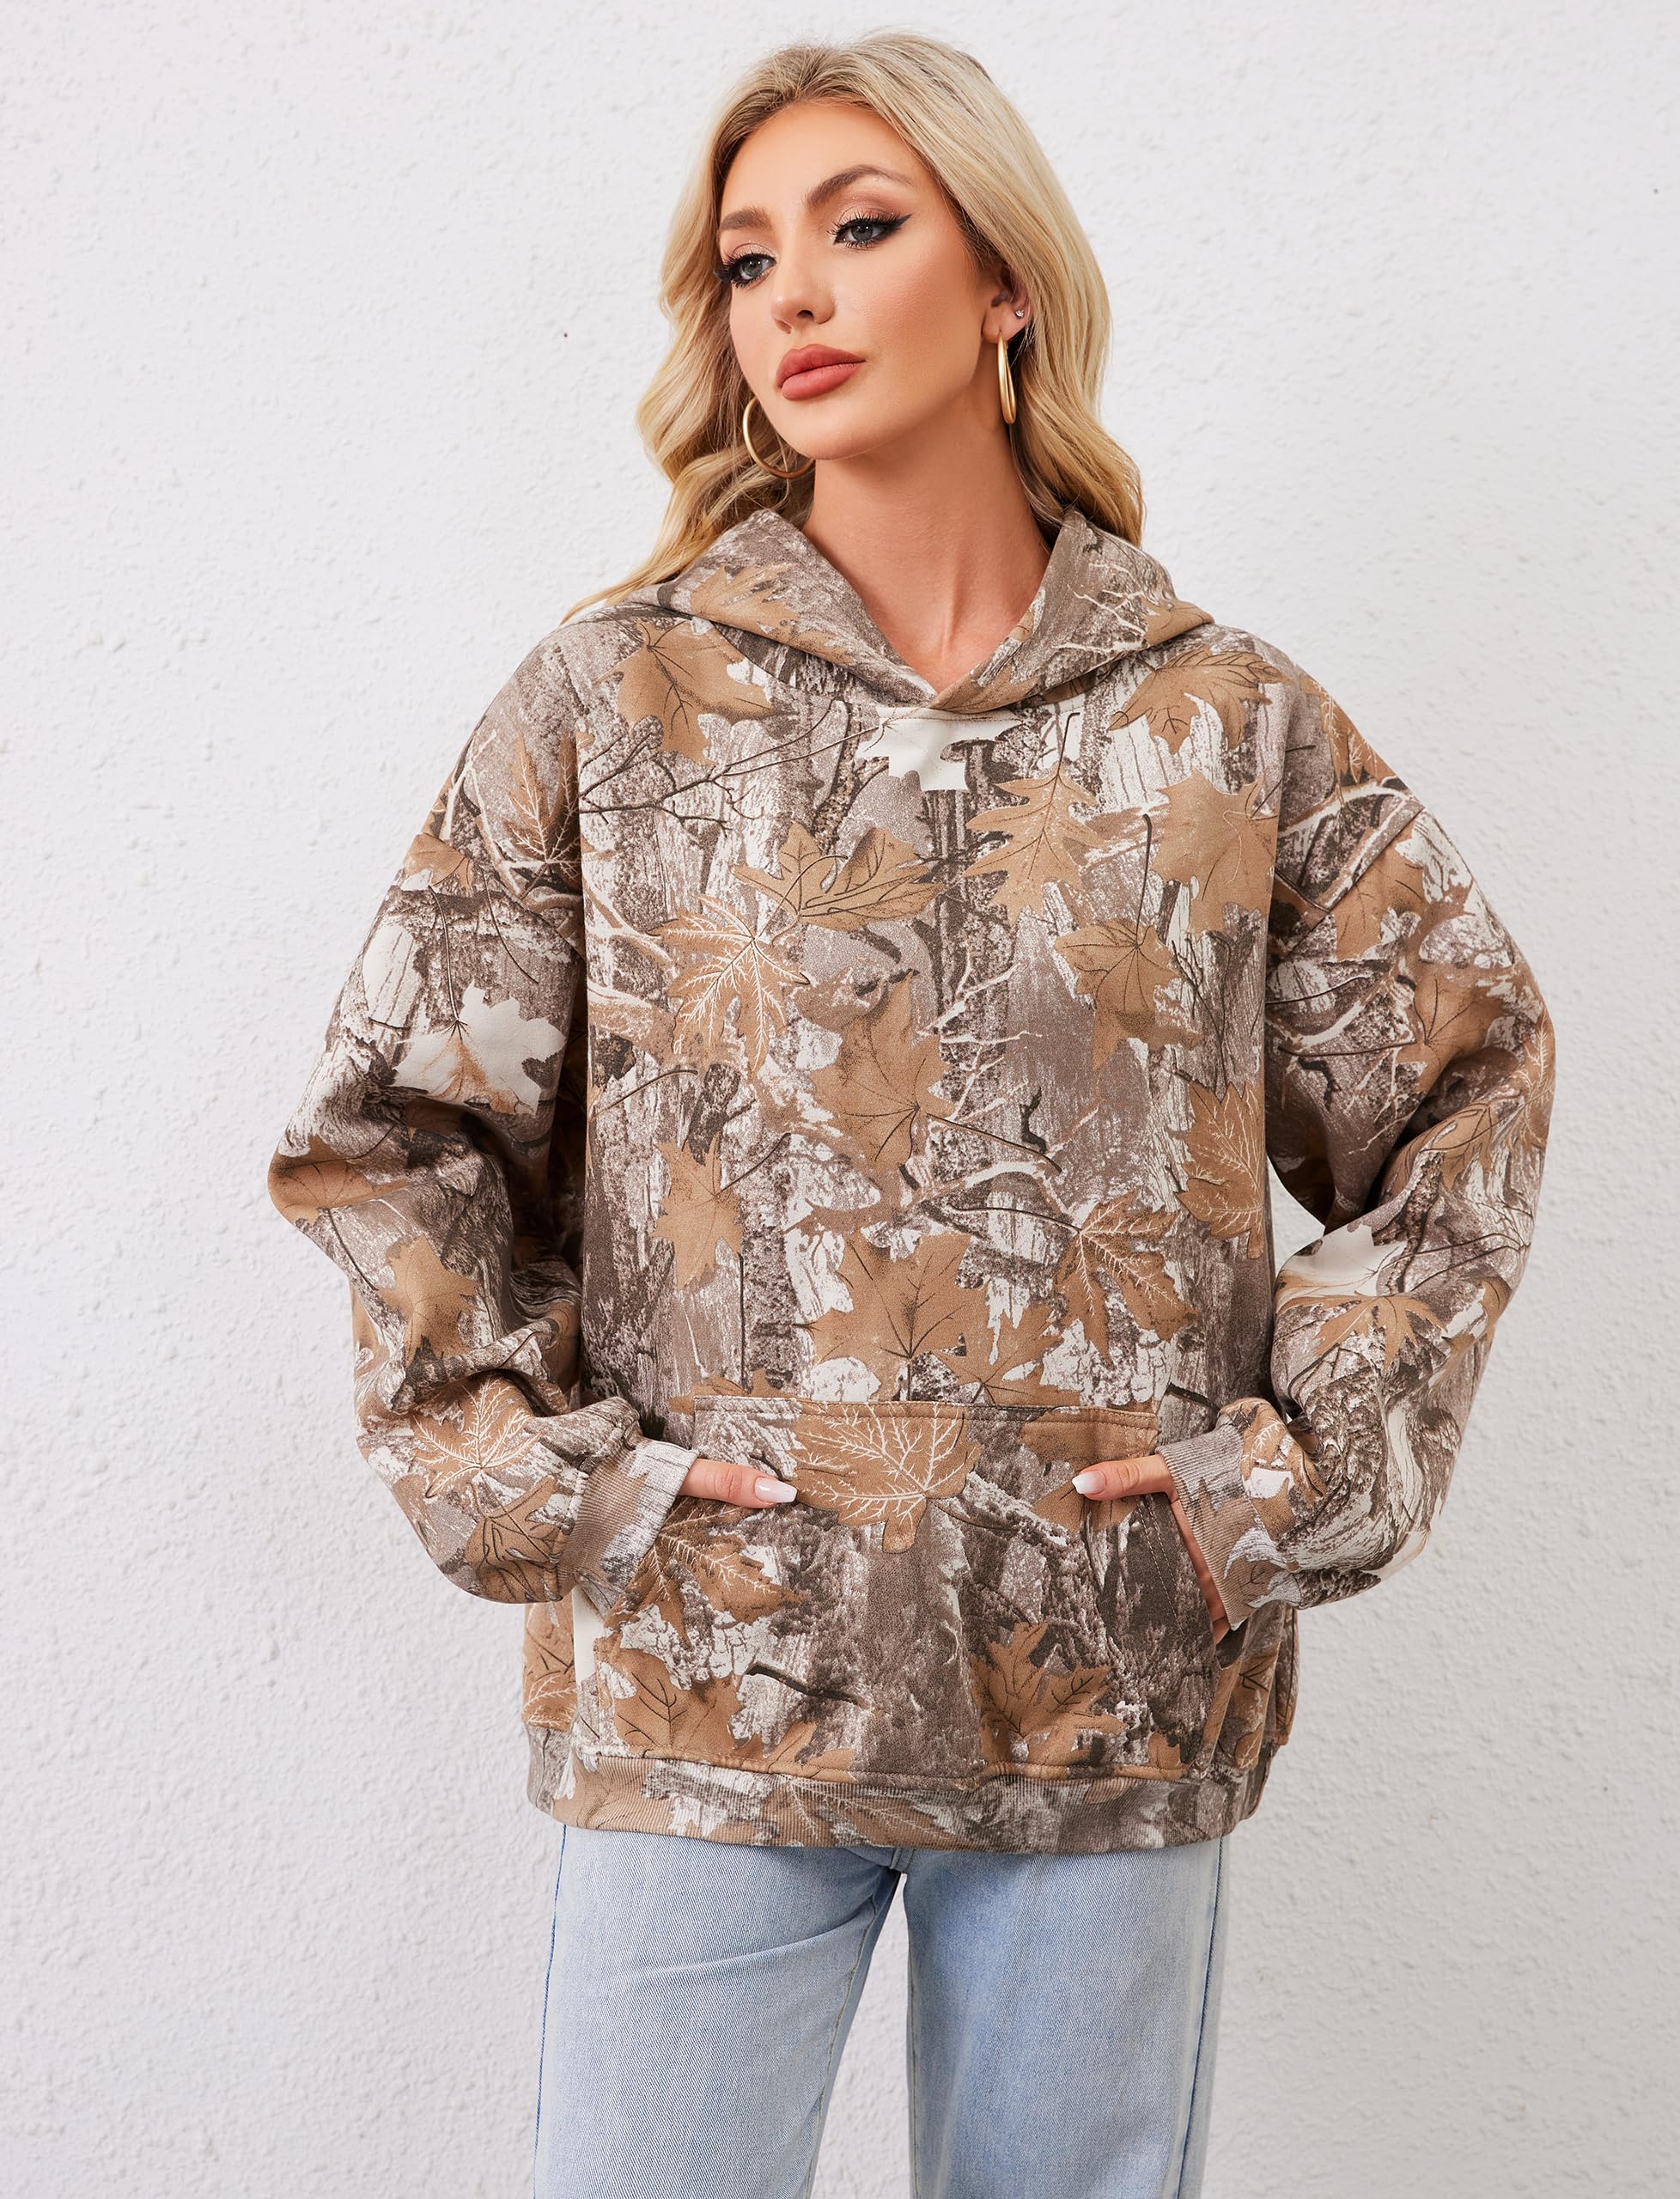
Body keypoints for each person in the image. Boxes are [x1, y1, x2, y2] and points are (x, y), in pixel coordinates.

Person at [264, 32, 1557, 2199]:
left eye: (861, 228)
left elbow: (1462, 1085)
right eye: (747, 256)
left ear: (1004, 280)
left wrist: (1282, 1480)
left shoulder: (1221, 721)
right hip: (710, 1673)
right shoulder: (616, 701)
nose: (794, 293)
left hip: (1106, 1674)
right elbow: (399, 1135)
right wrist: (563, 1487)